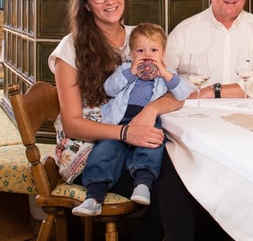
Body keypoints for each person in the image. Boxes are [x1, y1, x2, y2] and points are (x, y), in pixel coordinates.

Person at [48, 0, 183, 240]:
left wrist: (151, 109)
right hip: (89, 149)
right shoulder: (70, 49)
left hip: (136, 138)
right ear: (87, 4)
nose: (109, 0)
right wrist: (125, 132)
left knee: (185, 174)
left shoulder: (142, 38)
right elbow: (73, 124)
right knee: (168, 188)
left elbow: (174, 92)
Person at [159, 0, 253, 240]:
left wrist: (212, 90)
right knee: (177, 177)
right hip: (194, 132)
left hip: (246, 129)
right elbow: (163, 80)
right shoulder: (186, 31)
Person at [71, 22, 192, 216]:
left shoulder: (166, 74)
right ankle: (93, 197)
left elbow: (183, 93)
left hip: (147, 122)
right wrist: (130, 73)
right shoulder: (125, 70)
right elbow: (109, 89)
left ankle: (143, 185)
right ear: (132, 53)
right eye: (140, 50)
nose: (147, 55)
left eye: (154, 50)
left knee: (152, 146)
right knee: (103, 152)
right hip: (118, 122)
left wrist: (165, 73)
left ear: (163, 53)